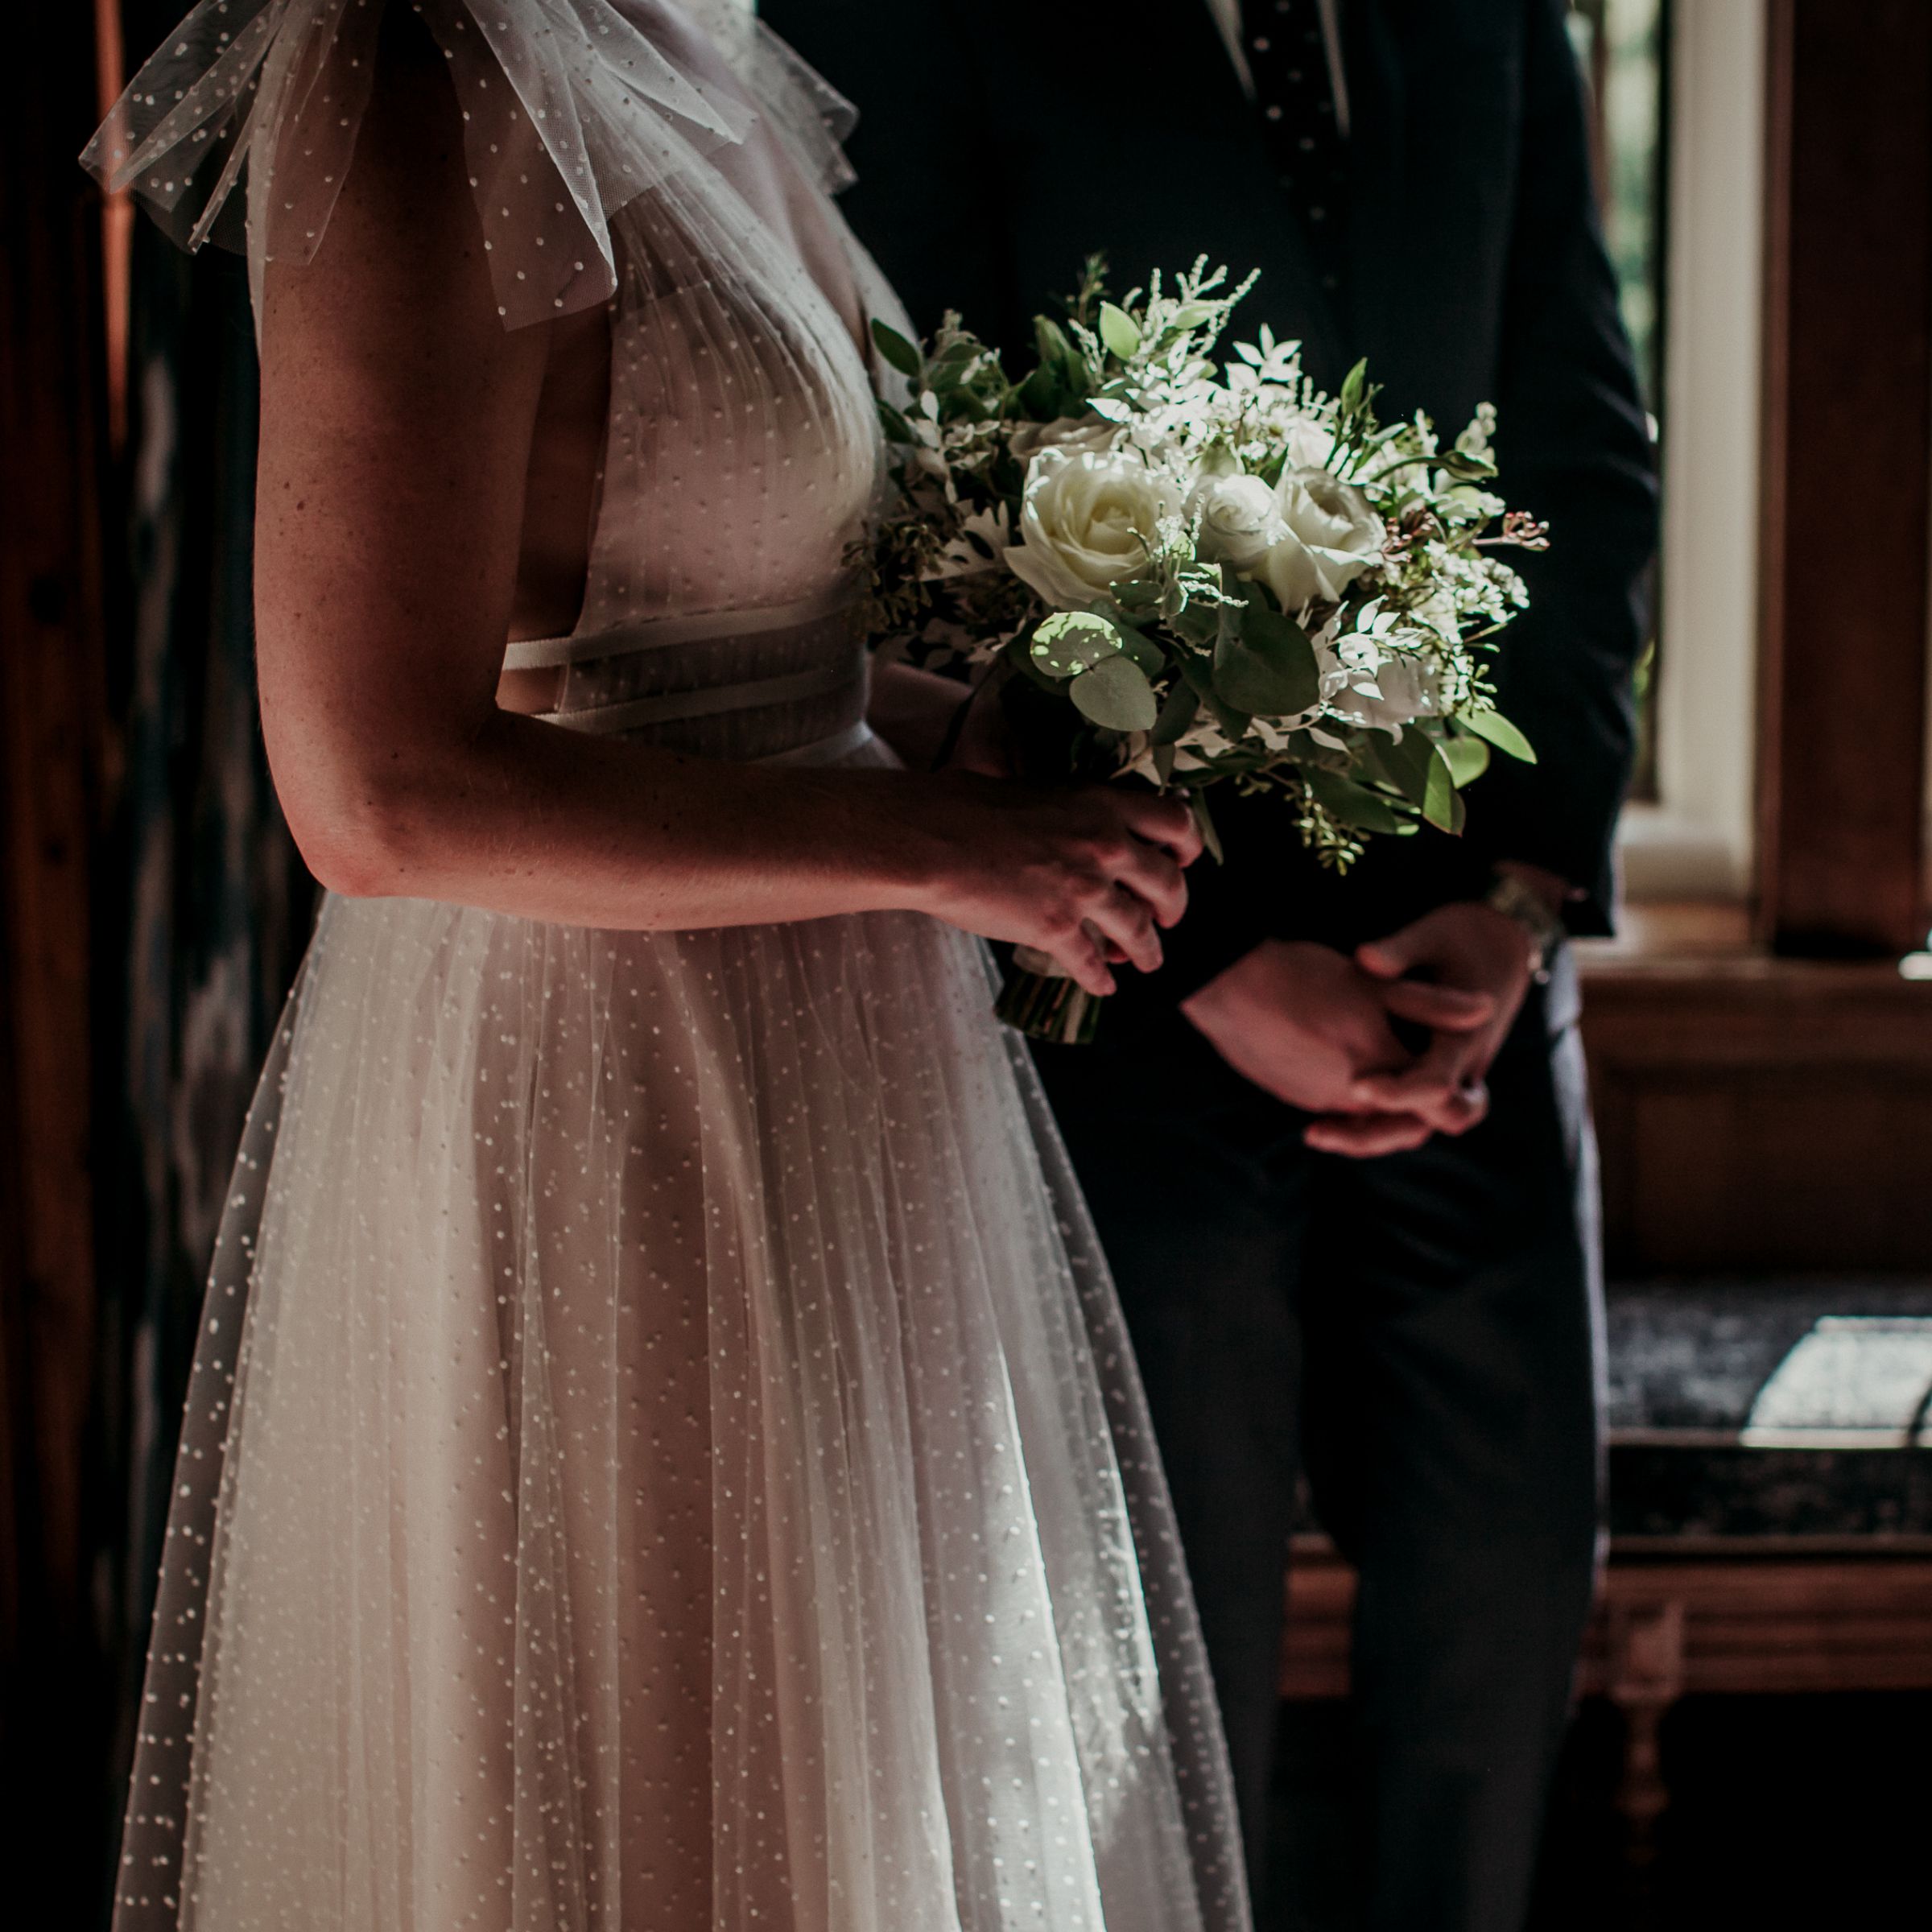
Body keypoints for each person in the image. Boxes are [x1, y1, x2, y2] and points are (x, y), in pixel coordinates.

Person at [85, 4, 1256, 1928]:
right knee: (656, 1809)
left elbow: (704, 639)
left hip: (843, 1081)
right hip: (610, 1090)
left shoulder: (694, 34)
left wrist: (947, 734)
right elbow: (374, 788)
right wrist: (934, 848)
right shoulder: (422, 64)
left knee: (842, 1795)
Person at [762, 2, 1658, 1926]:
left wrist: (1517, 902)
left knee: (1497, 1662)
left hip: (1466, 979)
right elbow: (916, 492)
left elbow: (1580, 446)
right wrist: (1208, 951)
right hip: (1120, 977)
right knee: (1149, 1711)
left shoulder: (1498, 23)